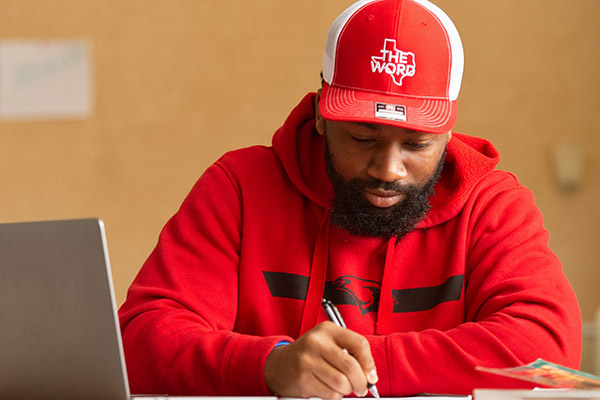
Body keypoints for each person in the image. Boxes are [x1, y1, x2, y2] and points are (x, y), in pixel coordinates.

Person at [118, 0, 582, 398]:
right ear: (322, 114)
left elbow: (546, 349)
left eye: (417, 146)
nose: (388, 170)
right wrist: (273, 365)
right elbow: (138, 340)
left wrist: (361, 366)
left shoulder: (492, 205)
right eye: (362, 138)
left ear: (446, 133)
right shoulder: (239, 187)